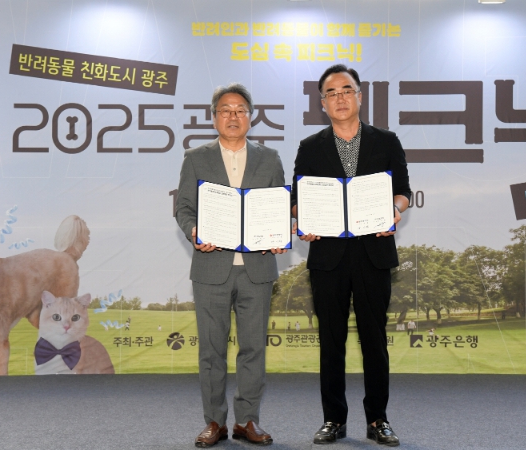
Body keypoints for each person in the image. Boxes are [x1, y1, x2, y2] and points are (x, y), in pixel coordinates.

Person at [291, 64, 410, 446]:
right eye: (332, 93)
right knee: (331, 341)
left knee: (375, 340)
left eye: (347, 90)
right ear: (322, 103)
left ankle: (378, 419)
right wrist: (303, 220)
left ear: (359, 96)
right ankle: (333, 419)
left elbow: (403, 191)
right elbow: (297, 200)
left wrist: (395, 210)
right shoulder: (310, 147)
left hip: (374, 252)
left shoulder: (386, 141)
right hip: (328, 256)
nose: (340, 98)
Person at [176, 83, 286, 448]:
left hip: (258, 268)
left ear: (251, 117)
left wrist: (279, 231)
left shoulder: (270, 158)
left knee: (253, 348)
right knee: (211, 350)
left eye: (240, 110)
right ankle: (214, 421)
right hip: (211, 268)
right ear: (214, 117)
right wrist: (194, 231)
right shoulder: (196, 158)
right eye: (225, 110)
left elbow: (278, 206)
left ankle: (247, 420)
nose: (233, 116)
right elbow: (184, 208)